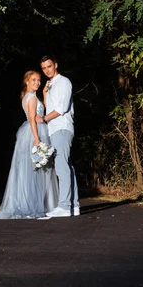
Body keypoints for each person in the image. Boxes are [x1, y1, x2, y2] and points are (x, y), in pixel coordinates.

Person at [0, 71, 58, 219]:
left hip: (29, 132)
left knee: (32, 168)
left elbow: (43, 108)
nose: (37, 82)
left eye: (39, 80)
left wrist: (45, 92)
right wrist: (36, 139)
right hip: (35, 132)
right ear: (27, 81)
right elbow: (33, 119)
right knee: (38, 168)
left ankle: (35, 201)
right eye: (33, 80)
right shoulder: (31, 98)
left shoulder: (28, 97)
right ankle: (37, 203)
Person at [40, 55, 80, 217]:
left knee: (61, 167)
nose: (47, 70)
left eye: (49, 66)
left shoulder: (63, 82)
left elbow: (61, 108)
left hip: (61, 128)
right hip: (55, 129)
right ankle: (74, 206)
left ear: (55, 65)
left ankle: (64, 206)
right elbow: (49, 107)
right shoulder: (50, 85)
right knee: (66, 166)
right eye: (44, 68)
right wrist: (44, 93)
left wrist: (43, 119)